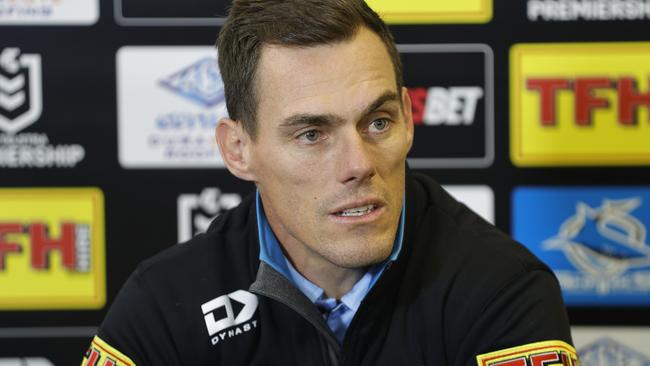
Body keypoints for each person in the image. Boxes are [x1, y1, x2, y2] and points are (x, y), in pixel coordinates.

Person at [82, 1, 579, 365]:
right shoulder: (165, 305)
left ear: (408, 118)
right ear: (238, 149)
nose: (358, 163)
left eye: (378, 121)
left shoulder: (502, 291)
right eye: (312, 133)